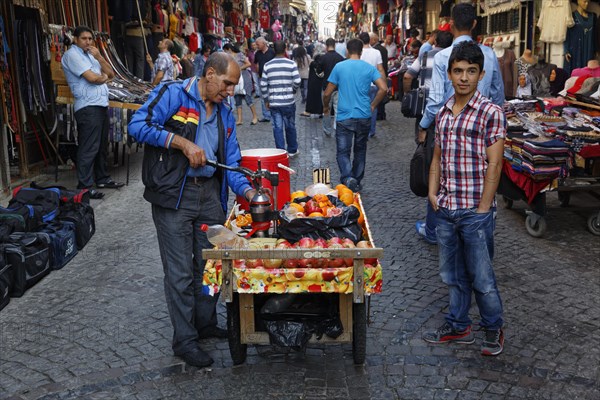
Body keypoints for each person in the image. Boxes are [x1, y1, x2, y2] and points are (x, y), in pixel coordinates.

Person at [127, 52, 257, 368]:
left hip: (210, 196)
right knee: (180, 272)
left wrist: (250, 192)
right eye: (227, 84)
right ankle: (184, 341)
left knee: (210, 265)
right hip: (175, 195)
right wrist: (181, 143)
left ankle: (205, 322)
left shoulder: (225, 113)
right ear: (210, 74)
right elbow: (137, 124)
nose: (230, 92)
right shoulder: (174, 93)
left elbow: (233, 163)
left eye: (234, 86)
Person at [423, 41, 506, 357]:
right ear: (449, 73)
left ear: (481, 74)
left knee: (482, 277)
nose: (464, 78)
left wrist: (484, 208)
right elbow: (437, 157)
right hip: (446, 207)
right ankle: (459, 325)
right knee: (452, 275)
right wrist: (433, 193)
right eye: (458, 71)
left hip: (475, 211)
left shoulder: (490, 113)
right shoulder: (443, 113)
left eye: (471, 71)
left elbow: (495, 164)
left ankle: (493, 327)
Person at [415, 2, 504, 245]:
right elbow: (498, 95)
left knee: (443, 173)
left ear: (451, 25)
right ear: (475, 24)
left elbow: (434, 101)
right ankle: (479, 223)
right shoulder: (489, 55)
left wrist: (424, 126)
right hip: (482, 125)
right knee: (481, 172)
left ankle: (436, 230)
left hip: (448, 123)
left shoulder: (443, 56)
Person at [61, 25, 124, 200]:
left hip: (100, 105)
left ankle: (102, 178)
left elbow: (110, 74)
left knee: (101, 146)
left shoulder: (91, 55)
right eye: (84, 38)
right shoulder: (72, 55)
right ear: (75, 39)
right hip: (87, 107)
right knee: (89, 148)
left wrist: (99, 57)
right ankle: (85, 187)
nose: (88, 42)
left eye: (90, 38)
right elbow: (94, 79)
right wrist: (103, 78)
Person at [323, 39, 387, 192]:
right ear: (361, 51)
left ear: (347, 50)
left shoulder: (339, 67)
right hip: (364, 115)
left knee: (343, 151)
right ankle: (356, 179)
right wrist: (373, 105)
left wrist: (326, 106)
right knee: (360, 150)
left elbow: (327, 92)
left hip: (345, 116)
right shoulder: (369, 68)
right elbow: (383, 88)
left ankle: (347, 177)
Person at [261, 40, 301, 157]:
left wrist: (266, 100)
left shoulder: (268, 65)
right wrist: (292, 90)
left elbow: (263, 84)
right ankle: (292, 150)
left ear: (274, 50)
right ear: (285, 49)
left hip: (274, 102)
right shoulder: (291, 64)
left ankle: (281, 152)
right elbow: (297, 81)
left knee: (277, 128)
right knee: (290, 126)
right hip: (288, 101)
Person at [358, 32, 386, 138]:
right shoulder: (376, 52)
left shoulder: (358, 53)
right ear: (369, 40)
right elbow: (380, 69)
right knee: (373, 107)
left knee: (361, 107)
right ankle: (371, 130)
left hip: (360, 84)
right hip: (373, 84)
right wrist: (383, 83)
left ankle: (362, 129)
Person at [223, 43, 258, 125]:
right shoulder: (228, 58)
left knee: (248, 98)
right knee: (237, 99)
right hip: (235, 80)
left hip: (244, 79)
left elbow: (248, 63)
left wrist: (239, 68)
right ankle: (239, 119)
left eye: (225, 51)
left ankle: (255, 117)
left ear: (229, 49)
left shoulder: (239, 55)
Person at [564, 0, 597, 74]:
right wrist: (566, 50)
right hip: (576, 50)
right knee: (576, 73)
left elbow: (595, 35)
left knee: (589, 74)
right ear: (578, 1)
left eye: (588, 2)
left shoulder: (593, 16)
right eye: (584, 1)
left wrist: (596, 49)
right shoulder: (571, 16)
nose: (587, 4)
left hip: (589, 49)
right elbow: (566, 33)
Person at [320, 38, 345, 137]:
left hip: (326, 87)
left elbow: (320, 72)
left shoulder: (323, 58)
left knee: (326, 108)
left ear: (326, 46)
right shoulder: (340, 58)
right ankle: (336, 127)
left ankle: (327, 129)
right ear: (334, 45)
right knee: (338, 109)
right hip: (338, 87)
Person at [253, 37, 275, 122]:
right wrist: (258, 74)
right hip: (262, 77)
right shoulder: (257, 53)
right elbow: (256, 63)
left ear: (263, 43)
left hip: (272, 77)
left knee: (272, 96)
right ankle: (266, 116)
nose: (257, 46)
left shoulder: (272, 52)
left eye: (258, 44)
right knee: (263, 97)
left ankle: (273, 113)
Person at [371, 33, 389, 121]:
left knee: (378, 95)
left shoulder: (375, 50)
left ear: (374, 40)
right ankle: (382, 113)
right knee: (382, 94)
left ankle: (379, 114)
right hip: (383, 73)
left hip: (377, 75)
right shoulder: (383, 49)